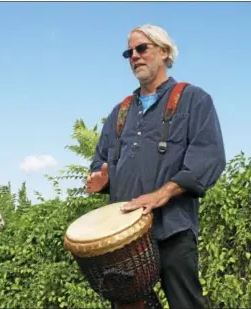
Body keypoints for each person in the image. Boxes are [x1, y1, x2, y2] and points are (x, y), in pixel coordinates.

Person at [85, 24, 226, 309]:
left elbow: (209, 156)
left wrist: (162, 194)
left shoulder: (193, 99)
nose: (134, 56)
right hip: (125, 237)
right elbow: (100, 161)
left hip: (173, 229)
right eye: (129, 52)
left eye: (141, 48)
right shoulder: (121, 111)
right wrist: (100, 178)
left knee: (186, 304)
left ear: (164, 51)